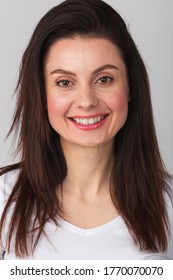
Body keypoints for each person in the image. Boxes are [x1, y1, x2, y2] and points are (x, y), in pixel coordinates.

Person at [0, 0, 172, 260]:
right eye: (65, 82)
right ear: (42, 96)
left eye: (104, 79)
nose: (86, 101)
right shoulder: (4, 199)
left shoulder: (168, 204)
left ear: (130, 88)